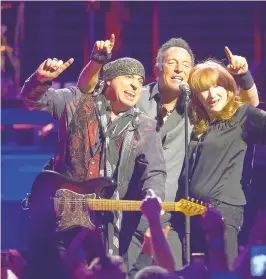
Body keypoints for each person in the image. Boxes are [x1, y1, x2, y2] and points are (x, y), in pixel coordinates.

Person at [78, 36, 261, 271]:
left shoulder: (199, 107)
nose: (179, 69)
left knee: (175, 272)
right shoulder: (136, 96)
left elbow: (247, 108)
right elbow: (89, 93)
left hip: (170, 217)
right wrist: (97, 62)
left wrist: (243, 75)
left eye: (186, 65)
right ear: (157, 69)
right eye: (172, 63)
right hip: (126, 212)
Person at [20, 54, 166, 257]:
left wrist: (153, 194)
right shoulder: (75, 101)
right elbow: (31, 101)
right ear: (108, 79)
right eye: (128, 77)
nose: (135, 86)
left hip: (107, 224)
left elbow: (155, 172)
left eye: (140, 81)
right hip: (60, 219)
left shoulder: (145, 126)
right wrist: (40, 79)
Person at [186, 59, 266, 269]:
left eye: (217, 86)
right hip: (189, 212)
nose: (212, 94)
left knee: (224, 270)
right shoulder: (193, 124)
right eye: (204, 89)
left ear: (229, 87)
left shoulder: (242, 116)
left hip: (223, 212)